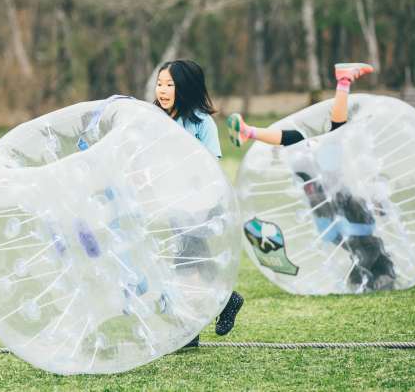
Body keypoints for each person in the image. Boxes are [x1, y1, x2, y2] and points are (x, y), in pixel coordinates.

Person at [226, 62, 397, 292]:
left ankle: (250, 131)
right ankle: (344, 81)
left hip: (321, 192)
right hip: (329, 188)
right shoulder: (360, 229)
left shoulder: (306, 163)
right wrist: (378, 203)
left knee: (307, 139)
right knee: (334, 133)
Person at [153, 59, 245, 348]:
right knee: (198, 263)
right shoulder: (154, 120)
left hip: (198, 206)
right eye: (160, 84)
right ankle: (227, 300)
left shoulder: (201, 123)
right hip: (172, 205)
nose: (163, 90)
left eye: (170, 85)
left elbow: (211, 167)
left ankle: (187, 331)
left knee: (185, 265)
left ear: (187, 88)